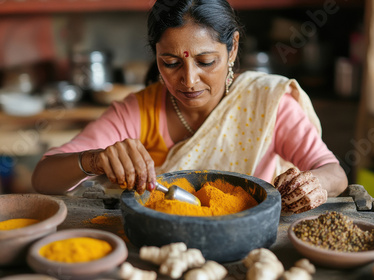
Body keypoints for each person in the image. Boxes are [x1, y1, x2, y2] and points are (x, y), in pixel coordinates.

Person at [32, 0, 348, 214]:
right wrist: (95, 160)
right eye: (170, 63)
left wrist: (316, 183)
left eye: (206, 61)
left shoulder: (267, 103)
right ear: (155, 55)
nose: (189, 80)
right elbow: (44, 177)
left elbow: (334, 172)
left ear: (233, 47)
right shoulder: (137, 112)